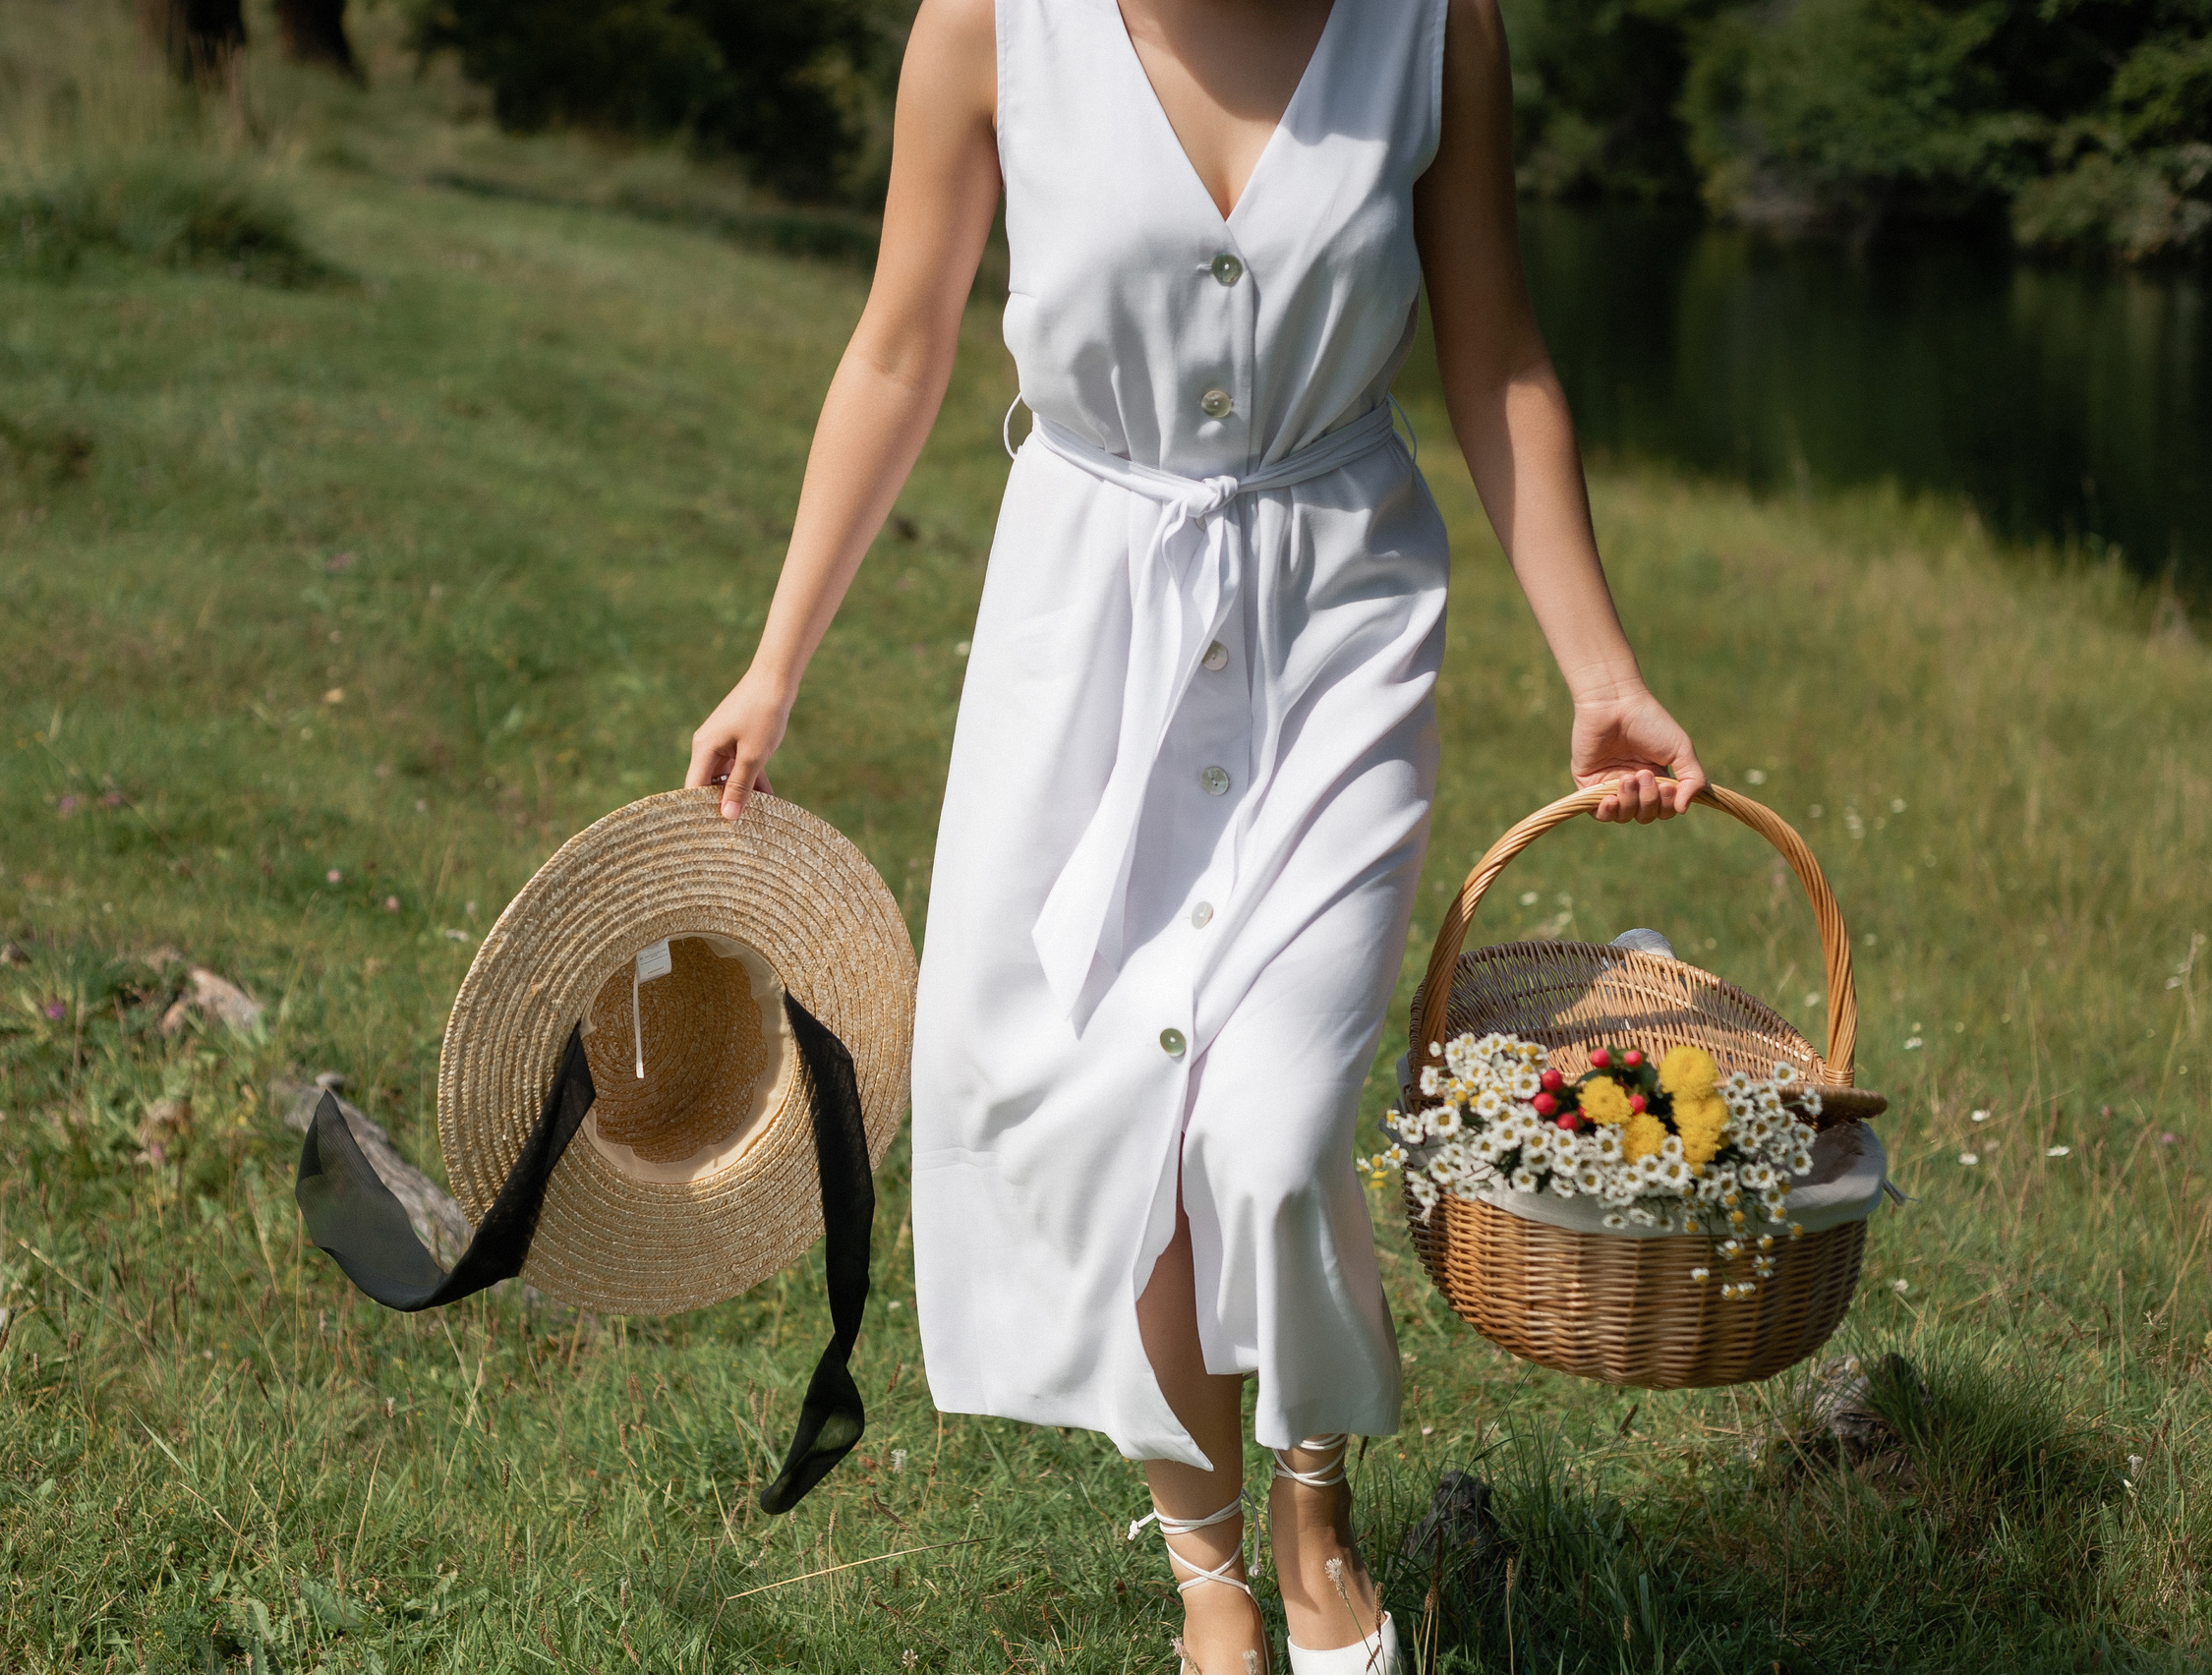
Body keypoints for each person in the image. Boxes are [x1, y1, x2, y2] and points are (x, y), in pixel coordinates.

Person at [685, 0, 1708, 1665]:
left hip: (1337, 626)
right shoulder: (986, 29)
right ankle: (1215, 1589)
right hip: (1085, 648)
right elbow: (896, 345)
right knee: (1118, 1122)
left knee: (1274, 1126)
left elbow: (1498, 352)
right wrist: (774, 664)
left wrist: (1603, 668)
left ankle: (1315, 1506)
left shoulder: (1432, 27)